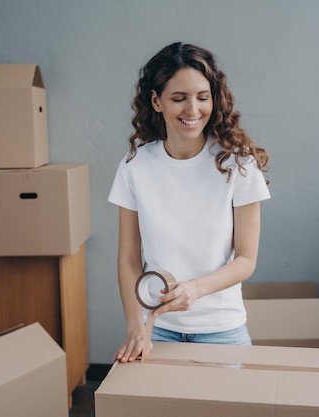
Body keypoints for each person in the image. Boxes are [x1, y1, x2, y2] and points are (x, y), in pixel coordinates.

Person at [108, 42, 270, 363]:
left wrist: (194, 290)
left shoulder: (238, 164)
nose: (193, 110)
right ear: (157, 101)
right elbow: (128, 258)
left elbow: (246, 259)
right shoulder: (134, 167)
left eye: (202, 97)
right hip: (158, 328)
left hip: (223, 330)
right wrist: (135, 327)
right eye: (179, 98)